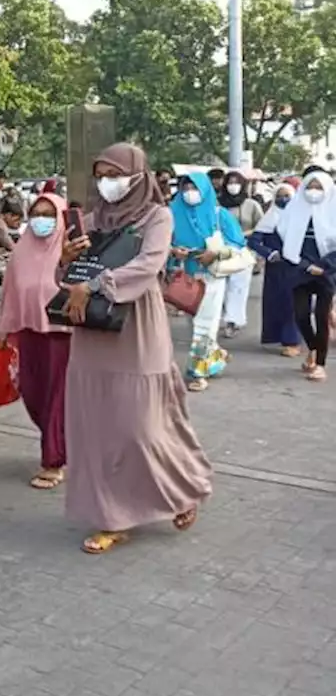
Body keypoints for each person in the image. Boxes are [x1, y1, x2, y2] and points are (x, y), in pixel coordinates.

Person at [59, 143, 212, 555]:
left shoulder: (156, 216)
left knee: (140, 427)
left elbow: (147, 266)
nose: (106, 183)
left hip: (137, 329)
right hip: (92, 330)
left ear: (137, 176)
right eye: (100, 174)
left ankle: (185, 488)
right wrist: (65, 258)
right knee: (97, 429)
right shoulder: (92, 219)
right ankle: (112, 516)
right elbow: (67, 275)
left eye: (114, 174)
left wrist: (93, 285)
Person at [0, 195, 70, 489]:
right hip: (29, 333)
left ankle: (52, 461)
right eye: (36, 213)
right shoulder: (21, 250)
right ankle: (61, 443)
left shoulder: (69, 250)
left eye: (49, 214)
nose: (41, 219)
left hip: (62, 335)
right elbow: (9, 293)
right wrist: (3, 330)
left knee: (57, 398)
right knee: (34, 394)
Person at [171, 172, 245, 392]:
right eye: (185, 188)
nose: (189, 193)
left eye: (194, 188)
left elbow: (238, 245)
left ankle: (197, 372)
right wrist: (174, 252)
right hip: (186, 277)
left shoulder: (219, 215)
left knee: (205, 324)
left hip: (213, 276)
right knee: (194, 323)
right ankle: (215, 356)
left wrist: (216, 253)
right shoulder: (173, 213)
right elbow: (161, 243)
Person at [274, 170, 336, 381]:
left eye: (319, 187)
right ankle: (313, 348)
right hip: (299, 269)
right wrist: (303, 264)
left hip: (326, 272)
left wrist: (325, 265)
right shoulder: (295, 208)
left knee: (321, 316)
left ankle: (320, 363)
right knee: (301, 315)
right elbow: (284, 235)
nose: (314, 191)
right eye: (310, 186)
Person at [248, 181, 304, 356]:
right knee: (276, 302)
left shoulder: (301, 218)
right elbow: (254, 241)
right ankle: (277, 336)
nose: (283, 199)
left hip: (295, 266)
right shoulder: (270, 217)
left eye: (287, 196)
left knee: (293, 303)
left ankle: (293, 341)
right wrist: (269, 253)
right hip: (275, 268)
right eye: (279, 196)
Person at [219, 170, 263, 339]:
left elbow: (261, 226)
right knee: (221, 287)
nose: (233, 186)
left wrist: (244, 235)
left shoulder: (251, 205)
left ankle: (233, 321)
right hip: (221, 250)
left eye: (237, 182)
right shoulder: (217, 204)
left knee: (239, 287)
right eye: (230, 182)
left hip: (244, 249)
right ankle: (222, 315)